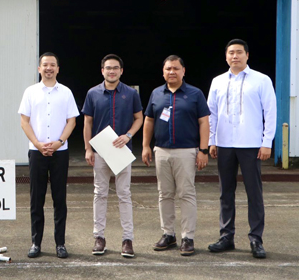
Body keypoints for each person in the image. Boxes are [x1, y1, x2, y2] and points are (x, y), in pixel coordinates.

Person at [207, 39, 276, 259]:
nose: (235, 56)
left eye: (239, 52)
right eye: (231, 53)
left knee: (254, 193)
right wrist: (212, 140)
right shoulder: (217, 81)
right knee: (225, 193)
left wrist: (267, 142)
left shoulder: (261, 80)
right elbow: (212, 114)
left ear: (247, 55)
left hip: (251, 144)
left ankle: (256, 239)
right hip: (225, 144)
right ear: (226, 56)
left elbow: (270, 112)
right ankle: (226, 236)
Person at [142, 55, 210, 256]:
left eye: (175, 69)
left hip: (186, 151)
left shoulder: (195, 94)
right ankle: (168, 234)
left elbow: (204, 122)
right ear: (163, 72)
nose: (172, 72)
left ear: (183, 71)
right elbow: (149, 121)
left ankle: (187, 237)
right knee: (164, 194)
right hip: (161, 151)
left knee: (186, 194)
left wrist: (203, 150)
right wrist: (146, 146)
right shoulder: (156, 94)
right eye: (168, 69)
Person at [18, 52, 79, 259]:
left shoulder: (66, 92)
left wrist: (59, 142)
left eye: (52, 65)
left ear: (58, 69)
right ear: (39, 68)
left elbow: (72, 121)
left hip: (60, 152)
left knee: (59, 198)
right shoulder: (30, 92)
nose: (49, 68)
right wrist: (37, 143)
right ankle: (36, 242)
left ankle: (60, 243)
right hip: (37, 152)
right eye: (45, 65)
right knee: (37, 199)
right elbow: (24, 121)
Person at [82, 54, 143, 258]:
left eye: (115, 68)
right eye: (108, 68)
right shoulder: (92, 93)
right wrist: (88, 149)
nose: (112, 71)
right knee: (100, 194)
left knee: (124, 195)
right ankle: (99, 237)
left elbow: (139, 118)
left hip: (122, 151)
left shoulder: (130, 94)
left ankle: (128, 240)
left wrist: (128, 135)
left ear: (121, 71)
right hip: (100, 152)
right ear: (102, 70)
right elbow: (87, 123)